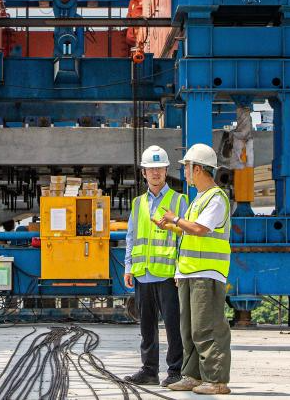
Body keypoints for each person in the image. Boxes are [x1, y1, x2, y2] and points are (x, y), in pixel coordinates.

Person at [159, 143, 232, 395]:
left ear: (198, 169)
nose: (185, 173)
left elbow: (201, 229)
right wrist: (173, 226)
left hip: (206, 274)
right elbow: (191, 232)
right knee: (189, 329)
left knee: (207, 327)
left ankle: (216, 380)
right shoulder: (199, 199)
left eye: (187, 168)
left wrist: (176, 219)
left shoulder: (216, 198)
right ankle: (192, 376)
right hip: (190, 272)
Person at [123, 145, 188, 387]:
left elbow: (185, 238)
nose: (156, 173)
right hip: (143, 274)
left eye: (159, 168)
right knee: (146, 327)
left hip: (168, 275)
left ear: (166, 170)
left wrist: (181, 269)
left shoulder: (178, 200)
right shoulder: (138, 203)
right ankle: (149, 371)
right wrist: (128, 266)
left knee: (173, 326)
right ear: (144, 173)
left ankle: (175, 371)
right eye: (151, 169)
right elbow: (131, 237)